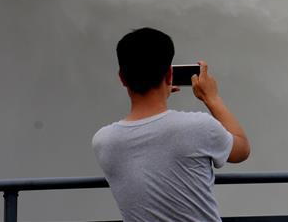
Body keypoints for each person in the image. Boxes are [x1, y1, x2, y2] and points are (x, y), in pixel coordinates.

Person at [92, 27, 250, 222]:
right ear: (169, 75)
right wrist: (212, 98)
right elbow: (242, 149)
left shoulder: (103, 141)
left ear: (122, 78)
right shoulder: (198, 126)